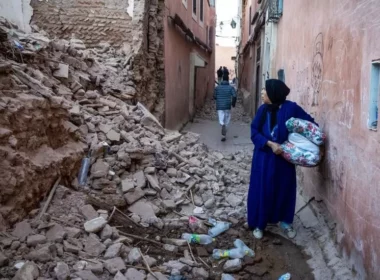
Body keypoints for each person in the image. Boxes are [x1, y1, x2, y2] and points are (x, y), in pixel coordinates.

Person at [247, 79, 316, 239]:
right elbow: (254, 131)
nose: (262, 92)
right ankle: (260, 223)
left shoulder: (291, 108)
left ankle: (285, 222)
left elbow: (310, 125)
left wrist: (296, 144)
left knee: (284, 188)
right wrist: (269, 144)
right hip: (263, 158)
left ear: (274, 93)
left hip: (284, 159)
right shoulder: (263, 110)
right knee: (262, 189)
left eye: (265, 90)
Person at [214, 74, 237, 141]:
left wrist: (218, 98)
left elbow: (214, 96)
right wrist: (233, 104)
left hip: (220, 106)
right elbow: (234, 96)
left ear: (222, 80)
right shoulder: (231, 87)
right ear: (227, 79)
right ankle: (224, 134)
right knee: (227, 119)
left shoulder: (217, 87)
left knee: (221, 118)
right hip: (227, 105)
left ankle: (222, 124)